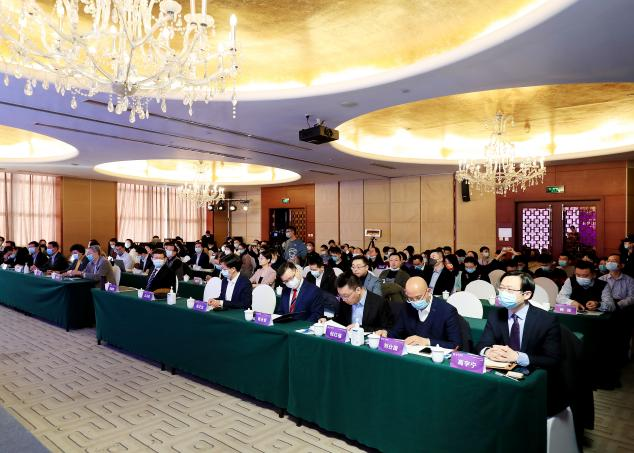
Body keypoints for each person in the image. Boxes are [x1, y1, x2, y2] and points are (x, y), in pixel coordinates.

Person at [477, 271, 566, 416]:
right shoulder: (495, 314)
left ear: (527, 294)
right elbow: (482, 344)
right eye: (502, 288)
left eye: (510, 290)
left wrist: (517, 357)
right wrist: (488, 351)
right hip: (502, 377)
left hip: (532, 378)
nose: (503, 293)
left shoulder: (546, 320)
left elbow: (552, 359)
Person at [376, 277, 462, 349]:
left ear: (428, 291)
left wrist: (427, 342)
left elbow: (456, 344)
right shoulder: (407, 306)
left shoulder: (447, 311)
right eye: (410, 298)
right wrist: (386, 333)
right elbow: (397, 331)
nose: (415, 302)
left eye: (418, 297)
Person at [325, 273, 393, 331]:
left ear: (358, 290)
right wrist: (327, 320)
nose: (343, 299)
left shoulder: (379, 303)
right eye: (340, 296)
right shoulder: (344, 300)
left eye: (345, 296)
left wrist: (360, 328)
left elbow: (386, 329)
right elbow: (341, 319)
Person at [599, 254, 634, 364]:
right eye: (608, 260)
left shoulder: (629, 280)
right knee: (606, 335)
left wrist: (618, 304)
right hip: (605, 307)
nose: (610, 263)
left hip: (622, 308)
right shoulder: (601, 279)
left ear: (621, 265)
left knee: (622, 336)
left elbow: (632, 297)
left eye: (613, 261)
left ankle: (622, 359)